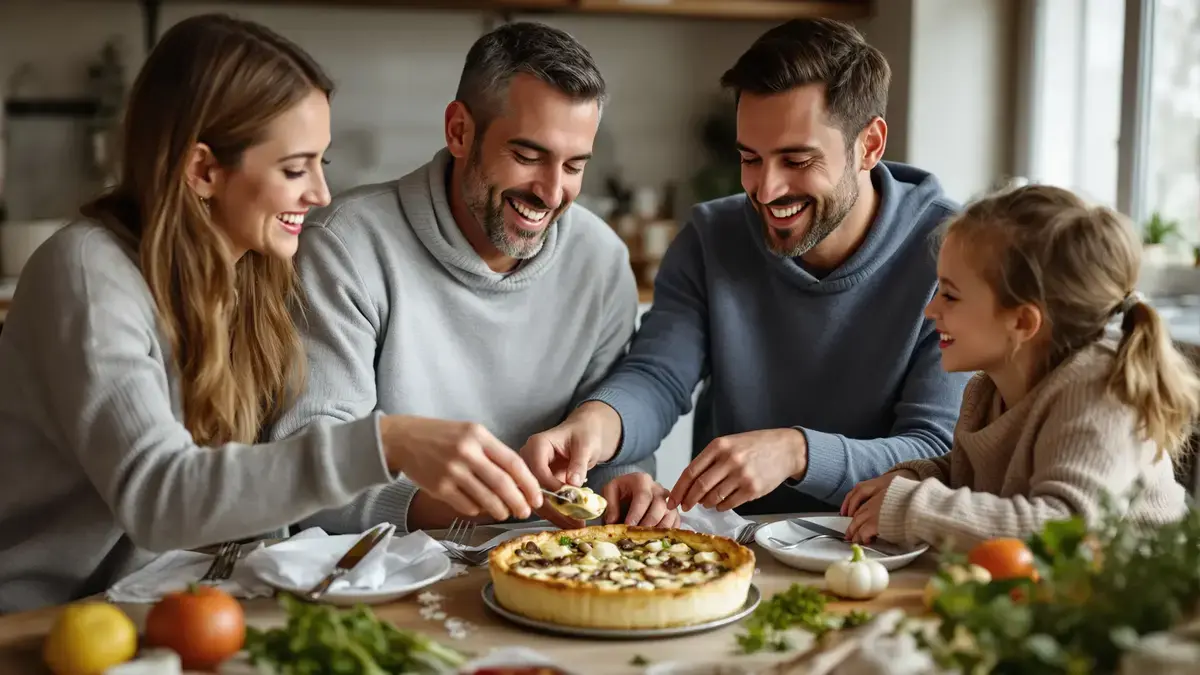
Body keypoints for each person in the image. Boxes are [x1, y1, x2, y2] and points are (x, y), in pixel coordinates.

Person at [0, 14, 542, 614]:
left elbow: (244, 490)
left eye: (321, 163)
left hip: (172, 607)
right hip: (43, 622)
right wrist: (386, 442)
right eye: (293, 168)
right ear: (203, 170)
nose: (320, 194)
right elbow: (159, 498)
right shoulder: (86, 274)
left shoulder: (252, 274)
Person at [522, 18, 971, 516]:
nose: (766, 190)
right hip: (736, 545)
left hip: (885, 546)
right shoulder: (711, 237)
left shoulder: (954, 254)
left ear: (869, 145)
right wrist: (593, 426)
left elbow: (935, 452)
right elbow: (658, 376)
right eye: (751, 159)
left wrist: (798, 453)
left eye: (796, 161)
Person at [267, 21, 670, 534]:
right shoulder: (346, 245)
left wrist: (623, 484)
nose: (551, 193)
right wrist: (490, 506)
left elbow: (600, 448)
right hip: (391, 565)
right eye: (527, 156)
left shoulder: (602, 259)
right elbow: (310, 473)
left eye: (574, 166)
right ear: (459, 131)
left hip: (556, 564)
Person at [841, 185, 1195, 551]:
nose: (931, 311)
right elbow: (984, 481)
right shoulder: (988, 390)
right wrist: (917, 477)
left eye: (950, 295)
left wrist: (911, 508)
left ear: (1023, 322)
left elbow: (1066, 530)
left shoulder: (1099, 390)